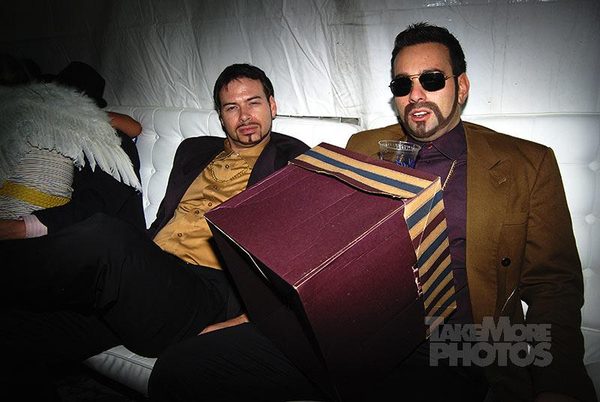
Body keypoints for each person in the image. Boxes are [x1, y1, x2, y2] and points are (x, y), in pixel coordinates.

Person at [147, 23, 597, 402]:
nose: (416, 95)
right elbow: (319, 252)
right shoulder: (362, 147)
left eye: (432, 80)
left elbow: (554, 287)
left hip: (459, 344)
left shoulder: (525, 163)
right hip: (346, 330)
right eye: (402, 85)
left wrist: (558, 385)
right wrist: (259, 314)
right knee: (179, 369)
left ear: (461, 86)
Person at [0, 63, 309, 400]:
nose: (245, 115)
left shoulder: (293, 161)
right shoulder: (194, 150)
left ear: (272, 105)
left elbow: (298, 256)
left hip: (205, 291)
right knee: (17, 331)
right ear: (221, 116)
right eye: (232, 107)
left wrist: (244, 320)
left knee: (107, 234)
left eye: (254, 102)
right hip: (149, 281)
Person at [0, 60, 145, 238]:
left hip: (100, 241)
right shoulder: (34, 134)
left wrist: (19, 228)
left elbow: (94, 208)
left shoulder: (110, 142)